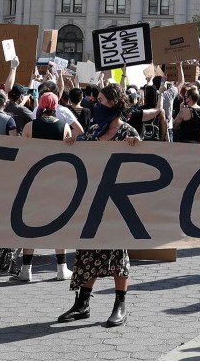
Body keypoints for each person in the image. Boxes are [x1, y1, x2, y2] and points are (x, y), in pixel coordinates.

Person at [59, 82, 140, 327]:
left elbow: (139, 166)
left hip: (117, 204)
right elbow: (83, 156)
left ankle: (120, 304)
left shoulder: (127, 133)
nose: (96, 104)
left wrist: (136, 147)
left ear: (112, 103)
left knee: (117, 253)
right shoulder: (94, 130)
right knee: (88, 252)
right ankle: (82, 303)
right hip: (93, 201)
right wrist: (73, 143)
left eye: (101, 100)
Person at [13, 93, 72, 284]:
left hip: (34, 180)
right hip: (57, 180)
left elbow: (24, 152)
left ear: (40, 106)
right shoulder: (64, 127)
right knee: (59, 222)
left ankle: (26, 269)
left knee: (29, 222)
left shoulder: (30, 127)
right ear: (55, 107)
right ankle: (61, 268)